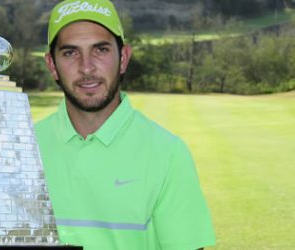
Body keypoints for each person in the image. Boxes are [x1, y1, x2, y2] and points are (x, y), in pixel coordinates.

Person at [35, 0, 216, 249]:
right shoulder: (21, 149)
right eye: (70, 52)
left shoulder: (168, 153)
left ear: (123, 58)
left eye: (101, 50)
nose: (86, 67)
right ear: (52, 65)